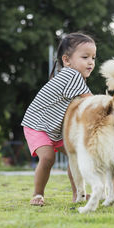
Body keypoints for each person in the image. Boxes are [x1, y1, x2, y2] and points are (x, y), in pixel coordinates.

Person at [21, 32, 96, 206]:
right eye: (85, 57)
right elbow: (92, 102)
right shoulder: (71, 75)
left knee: (75, 155)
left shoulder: (75, 77)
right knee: (47, 158)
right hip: (37, 124)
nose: (91, 62)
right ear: (67, 60)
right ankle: (38, 194)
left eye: (93, 57)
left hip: (56, 128)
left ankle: (79, 195)